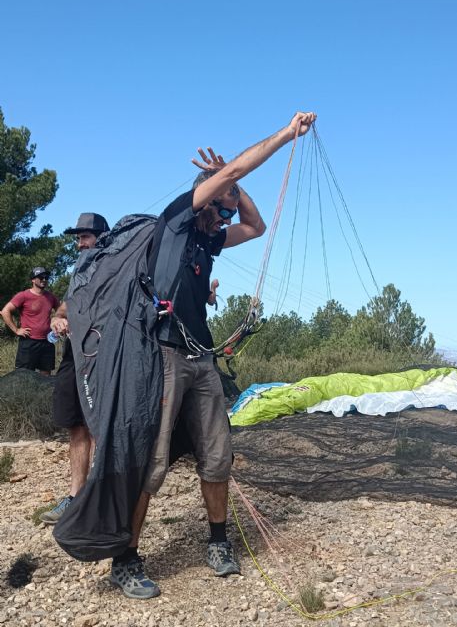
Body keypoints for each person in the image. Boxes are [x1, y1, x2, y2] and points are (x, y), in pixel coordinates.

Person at [109, 111, 316, 599]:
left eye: (227, 211)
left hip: (201, 358)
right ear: (204, 196)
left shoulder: (209, 240)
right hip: (163, 354)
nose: (225, 218)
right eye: (221, 207)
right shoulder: (180, 218)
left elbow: (257, 226)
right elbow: (225, 179)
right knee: (153, 461)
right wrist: (285, 136)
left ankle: (219, 543)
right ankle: (125, 559)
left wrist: (236, 193)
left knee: (218, 455)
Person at [40, 213, 110, 524]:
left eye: (86, 236)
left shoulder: (116, 267)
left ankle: (101, 497)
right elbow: (66, 304)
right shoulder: (79, 271)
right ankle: (75, 496)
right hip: (74, 355)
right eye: (78, 237)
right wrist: (58, 317)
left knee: (103, 427)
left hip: (106, 356)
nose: (80, 242)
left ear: (102, 237)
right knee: (77, 425)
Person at [1, 267, 60, 375]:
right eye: (41, 277)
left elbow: (61, 311)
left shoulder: (51, 297)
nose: (44, 279)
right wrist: (16, 330)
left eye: (46, 277)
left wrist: (58, 325)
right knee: (24, 376)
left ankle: (42, 392)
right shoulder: (23, 296)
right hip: (29, 342)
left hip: (47, 341)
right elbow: (5, 311)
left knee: (45, 376)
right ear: (33, 280)